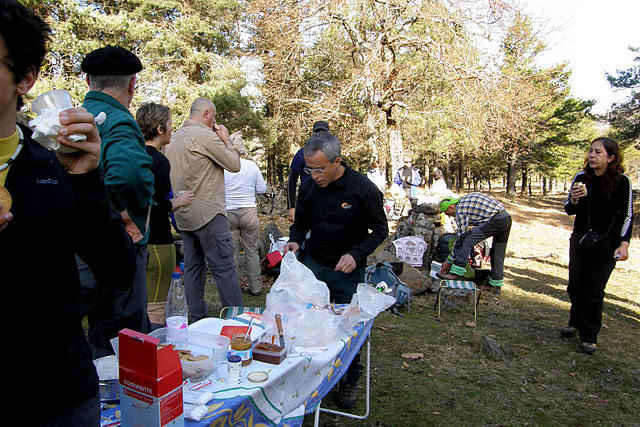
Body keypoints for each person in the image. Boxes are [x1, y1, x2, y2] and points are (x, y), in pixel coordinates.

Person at [0, 2, 135, 423]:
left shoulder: (51, 163)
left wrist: (88, 181)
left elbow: (116, 271)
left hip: (59, 395)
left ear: (25, 78)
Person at [285, 131, 388, 409]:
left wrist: (356, 255)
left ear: (337, 161)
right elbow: (300, 222)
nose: (314, 174)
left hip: (346, 270)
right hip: (313, 265)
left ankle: (349, 379)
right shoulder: (308, 185)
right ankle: (309, 374)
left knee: (347, 327)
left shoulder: (362, 189)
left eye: (319, 169)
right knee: (308, 320)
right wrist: (294, 239)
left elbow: (380, 230)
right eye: (309, 168)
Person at [81, 45, 156, 340]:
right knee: (126, 332)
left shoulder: (76, 116)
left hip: (81, 242)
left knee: (98, 327)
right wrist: (126, 216)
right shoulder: (119, 120)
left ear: (88, 82)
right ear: (132, 85)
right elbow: (129, 174)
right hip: (117, 243)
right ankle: (123, 387)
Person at [165, 97, 243, 320]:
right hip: (209, 214)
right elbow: (234, 165)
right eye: (214, 117)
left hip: (183, 215)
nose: (214, 122)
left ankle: (195, 319)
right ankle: (237, 320)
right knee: (224, 269)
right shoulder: (205, 136)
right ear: (207, 114)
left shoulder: (174, 138)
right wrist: (227, 140)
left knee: (192, 269)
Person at [561, 137, 633, 355]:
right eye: (591, 151)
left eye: (598, 152)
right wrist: (574, 200)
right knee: (575, 285)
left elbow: (627, 215)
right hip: (581, 239)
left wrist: (624, 243)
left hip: (607, 244)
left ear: (611, 157)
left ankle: (589, 335)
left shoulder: (622, 182)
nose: (592, 155)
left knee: (594, 289)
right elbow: (569, 210)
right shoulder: (581, 178)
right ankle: (575, 321)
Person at [136, 103, 194, 323]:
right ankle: (155, 345)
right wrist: (177, 202)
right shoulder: (158, 161)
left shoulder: (133, 156)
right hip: (158, 243)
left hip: (136, 240)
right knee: (157, 304)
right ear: (160, 129)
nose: (172, 129)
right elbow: (157, 204)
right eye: (170, 124)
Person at [437, 193, 512, 294]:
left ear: (451, 207)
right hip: (506, 218)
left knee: (465, 240)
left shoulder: (460, 210)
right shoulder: (464, 200)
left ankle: (456, 273)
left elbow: (461, 238)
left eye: (447, 212)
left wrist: (449, 261)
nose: (448, 215)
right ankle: (495, 285)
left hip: (496, 219)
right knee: (498, 253)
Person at [224, 132, 268, 296]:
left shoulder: (223, 166)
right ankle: (256, 287)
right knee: (251, 250)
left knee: (231, 252)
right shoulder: (252, 166)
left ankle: (233, 288)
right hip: (248, 210)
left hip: (228, 211)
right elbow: (262, 189)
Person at [287, 120, 330, 222]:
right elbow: (292, 180)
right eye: (318, 132)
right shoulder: (302, 153)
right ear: (313, 134)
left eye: (323, 133)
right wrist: (291, 207)